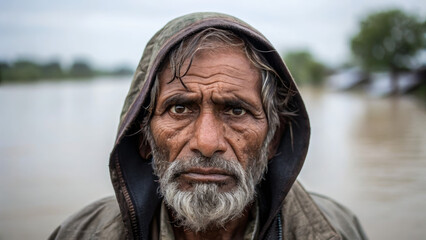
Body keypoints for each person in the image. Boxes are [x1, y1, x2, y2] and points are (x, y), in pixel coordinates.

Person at [49, 12, 368, 240]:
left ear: (273, 139)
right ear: (144, 137)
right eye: (179, 108)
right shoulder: (80, 233)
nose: (206, 142)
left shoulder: (337, 229)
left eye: (236, 110)